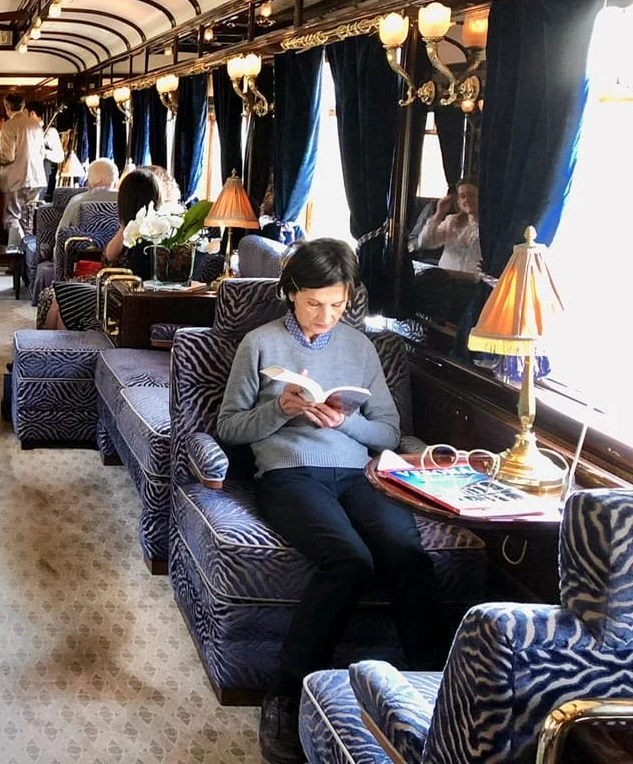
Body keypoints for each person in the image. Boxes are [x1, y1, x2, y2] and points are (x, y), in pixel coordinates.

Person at [216, 239, 451, 764]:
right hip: (289, 473)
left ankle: (436, 691)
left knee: (406, 555)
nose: (325, 316)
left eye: (337, 304)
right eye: (313, 303)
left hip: (358, 474)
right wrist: (279, 410)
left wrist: (346, 422)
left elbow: (388, 433)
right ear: (290, 293)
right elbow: (228, 427)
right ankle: (286, 693)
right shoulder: (259, 343)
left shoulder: (361, 347)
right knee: (349, 560)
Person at [40, 169, 159, 330]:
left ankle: (53, 343)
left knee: (62, 299)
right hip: (113, 288)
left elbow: (126, 273)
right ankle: (49, 343)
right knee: (58, 297)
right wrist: (125, 225)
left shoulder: (152, 231)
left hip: (121, 294)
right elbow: (108, 257)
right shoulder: (131, 227)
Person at [0, 93, 46, 247]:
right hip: (37, 178)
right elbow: (42, 153)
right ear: (23, 106)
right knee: (28, 219)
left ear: (6, 107)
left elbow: (7, 156)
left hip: (16, 179)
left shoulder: (9, 126)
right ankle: (29, 255)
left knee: (12, 217)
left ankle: (15, 254)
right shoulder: (36, 125)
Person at [416, 180, 481, 272]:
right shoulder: (452, 221)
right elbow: (424, 242)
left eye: (472, 195)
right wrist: (439, 214)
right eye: (462, 196)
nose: (466, 200)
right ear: (458, 201)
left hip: (475, 279)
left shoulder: (491, 226)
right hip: (446, 277)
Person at [57, 158, 119, 233]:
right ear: (116, 182)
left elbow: (60, 234)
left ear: (89, 183)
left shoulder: (76, 201)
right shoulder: (126, 201)